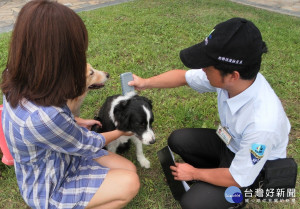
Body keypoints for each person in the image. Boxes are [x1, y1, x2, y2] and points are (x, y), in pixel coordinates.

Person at [129, 17, 291, 208]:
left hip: (252, 172)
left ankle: (237, 199)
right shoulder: (234, 79)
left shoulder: (262, 123)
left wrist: (194, 173)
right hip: (231, 144)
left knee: (192, 203)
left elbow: (238, 178)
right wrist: (144, 83)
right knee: (178, 140)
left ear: (233, 76)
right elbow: (183, 77)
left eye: (208, 65)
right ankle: (214, 174)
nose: (202, 68)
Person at [1, 1, 139, 209]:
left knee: (129, 169)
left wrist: (76, 120)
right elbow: (88, 144)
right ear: (58, 58)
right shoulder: (46, 117)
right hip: (50, 185)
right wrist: (121, 131)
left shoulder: (18, 77)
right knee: (130, 182)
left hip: (62, 154)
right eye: (77, 51)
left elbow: (50, 126)